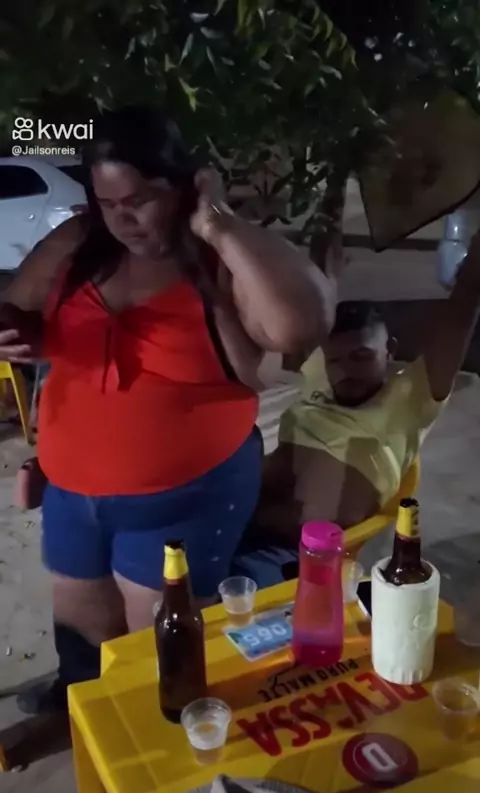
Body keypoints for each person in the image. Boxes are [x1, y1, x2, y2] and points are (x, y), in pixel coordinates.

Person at [0, 106, 335, 710]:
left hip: (182, 498)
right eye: (108, 202)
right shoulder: (80, 243)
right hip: (74, 493)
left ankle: (167, 732)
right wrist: (18, 334)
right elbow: (18, 305)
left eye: (139, 200)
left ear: (182, 184)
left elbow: (298, 325)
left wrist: (217, 223)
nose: (122, 218)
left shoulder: (217, 258)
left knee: (160, 643)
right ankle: (83, 711)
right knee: (80, 629)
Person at [236, 226, 480, 585]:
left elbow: (459, 315)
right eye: (335, 360)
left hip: (295, 552)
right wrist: (328, 274)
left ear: (390, 349)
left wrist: (472, 271)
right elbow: (314, 316)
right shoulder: (322, 370)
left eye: (361, 357)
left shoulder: (409, 396)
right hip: (239, 517)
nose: (345, 370)